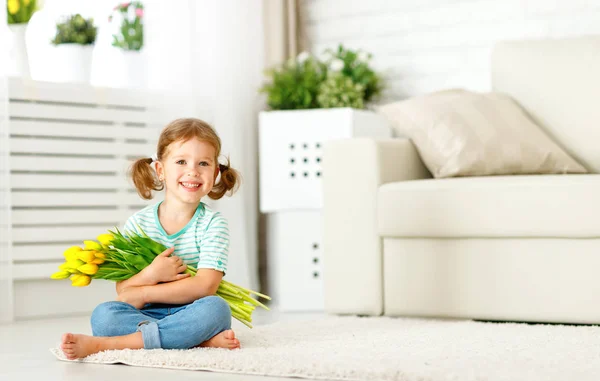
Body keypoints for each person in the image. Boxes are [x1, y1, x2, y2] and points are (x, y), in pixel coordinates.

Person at [60, 118, 241, 359]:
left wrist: (145, 292)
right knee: (104, 315)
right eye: (181, 161)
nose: (193, 171)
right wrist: (152, 275)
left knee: (216, 309)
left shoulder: (212, 224)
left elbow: (205, 286)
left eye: (204, 163)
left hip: (191, 310)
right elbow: (124, 291)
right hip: (145, 315)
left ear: (215, 173)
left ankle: (112, 345)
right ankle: (197, 340)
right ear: (160, 170)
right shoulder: (138, 223)